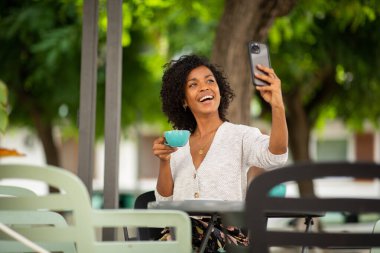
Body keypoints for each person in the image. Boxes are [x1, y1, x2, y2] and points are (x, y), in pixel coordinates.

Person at [152, 54, 288, 252]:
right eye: (193, 84)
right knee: (178, 234)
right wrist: (164, 160)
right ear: (183, 100)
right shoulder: (177, 145)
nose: (205, 87)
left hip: (227, 239)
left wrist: (277, 104)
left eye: (210, 81)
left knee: (180, 235)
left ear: (220, 91)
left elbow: (275, 155)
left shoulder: (240, 136)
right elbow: (164, 201)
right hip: (180, 236)